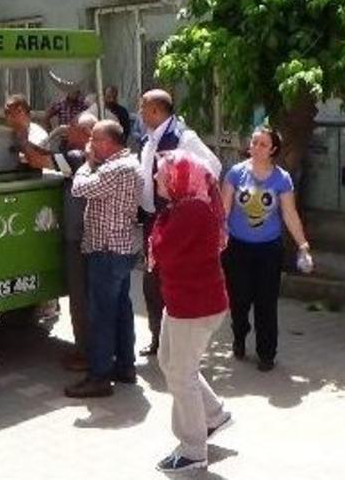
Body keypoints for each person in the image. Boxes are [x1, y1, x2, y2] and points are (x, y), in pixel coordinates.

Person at [148, 150, 232, 473]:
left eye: (161, 173)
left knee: (182, 376)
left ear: (179, 177)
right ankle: (214, 414)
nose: (156, 177)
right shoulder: (184, 207)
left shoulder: (192, 211)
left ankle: (193, 449)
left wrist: (157, 239)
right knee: (170, 361)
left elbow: (166, 251)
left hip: (194, 307)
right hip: (185, 302)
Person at [137, 89, 221, 357]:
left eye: (143, 108)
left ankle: (180, 344)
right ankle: (158, 339)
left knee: (172, 280)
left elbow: (212, 168)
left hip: (175, 220)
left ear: (156, 111)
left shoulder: (184, 137)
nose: (139, 113)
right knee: (151, 284)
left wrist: (184, 199)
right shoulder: (148, 139)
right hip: (153, 220)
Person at [220, 127, 311, 372]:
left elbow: (289, 214)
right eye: (254, 142)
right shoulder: (236, 174)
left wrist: (302, 244)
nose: (256, 147)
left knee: (266, 303)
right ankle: (239, 336)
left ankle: (266, 353)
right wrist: (219, 236)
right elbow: (224, 210)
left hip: (269, 250)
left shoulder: (281, 178)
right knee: (239, 301)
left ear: (272, 150)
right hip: (237, 248)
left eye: (262, 144)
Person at [64, 120, 144, 398]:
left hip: (108, 252)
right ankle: (124, 366)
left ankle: (99, 376)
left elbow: (80, 188)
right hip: (118, 250)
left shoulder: (116, 168)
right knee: (121, 311)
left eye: (95, 140)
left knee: (101, 316)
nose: (91, 145)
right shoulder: (128, 163)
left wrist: (87, 162)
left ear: (109, 143)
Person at [24, 112, 98, 372]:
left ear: (87, 134)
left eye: (74, 128)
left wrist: (22, 133)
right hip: (93, 239)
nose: (68, 131)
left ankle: (85, 354)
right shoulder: (97, 157)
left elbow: (36, 160)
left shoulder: (77, 158)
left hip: (79, 239)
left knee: (80, 299)